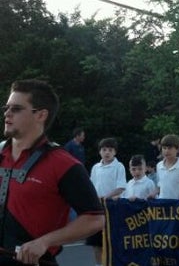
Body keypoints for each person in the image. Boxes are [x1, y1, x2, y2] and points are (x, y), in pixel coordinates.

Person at [0, 79, 104, 265]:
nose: (7, 114)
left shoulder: (62, 163)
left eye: (16, 109)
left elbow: (95, 218)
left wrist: (44, 242)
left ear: (41, 115)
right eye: (6, 108)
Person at [87, 137, 127, 265]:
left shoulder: (118, 166)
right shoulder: (95, 167)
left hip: (112, 208)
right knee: (96, 242)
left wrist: (106, 197)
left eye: (110, 150)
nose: (107, 152)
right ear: (100, 152)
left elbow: (121, 187)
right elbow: (91, 187)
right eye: (104, 149)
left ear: (115, 152)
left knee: (112, 241)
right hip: (97, 208)